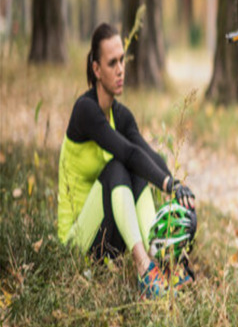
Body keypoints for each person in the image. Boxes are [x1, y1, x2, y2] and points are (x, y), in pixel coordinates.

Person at [57, 23, 196, 299]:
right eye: (112, 63)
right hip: (78, 240)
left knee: (136, 167)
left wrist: (178, 189)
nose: (121, 69)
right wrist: (168, 184)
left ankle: (159, 259)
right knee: (118, 166)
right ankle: (144, 268)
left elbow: (148, 155)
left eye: (122, 60)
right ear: (96, 69)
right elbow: (129, 154)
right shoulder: (85, 111)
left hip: (109, 235)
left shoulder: (121, 116)